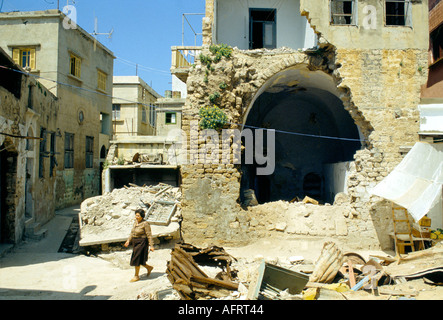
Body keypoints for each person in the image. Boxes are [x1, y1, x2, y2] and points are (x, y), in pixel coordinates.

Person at [124, 208, 155, 282]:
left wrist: (151, 246)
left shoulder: (145, 224)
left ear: (142, 216)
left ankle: (136, 276)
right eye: (136, 215)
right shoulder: (135, 222)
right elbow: (132, 233)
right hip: (135, 242)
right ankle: (149, 268)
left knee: (136, 258)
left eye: (138, 216)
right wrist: (128, 240)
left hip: (142, 242)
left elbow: (149, 235)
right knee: (139, 259)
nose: (136, 217)